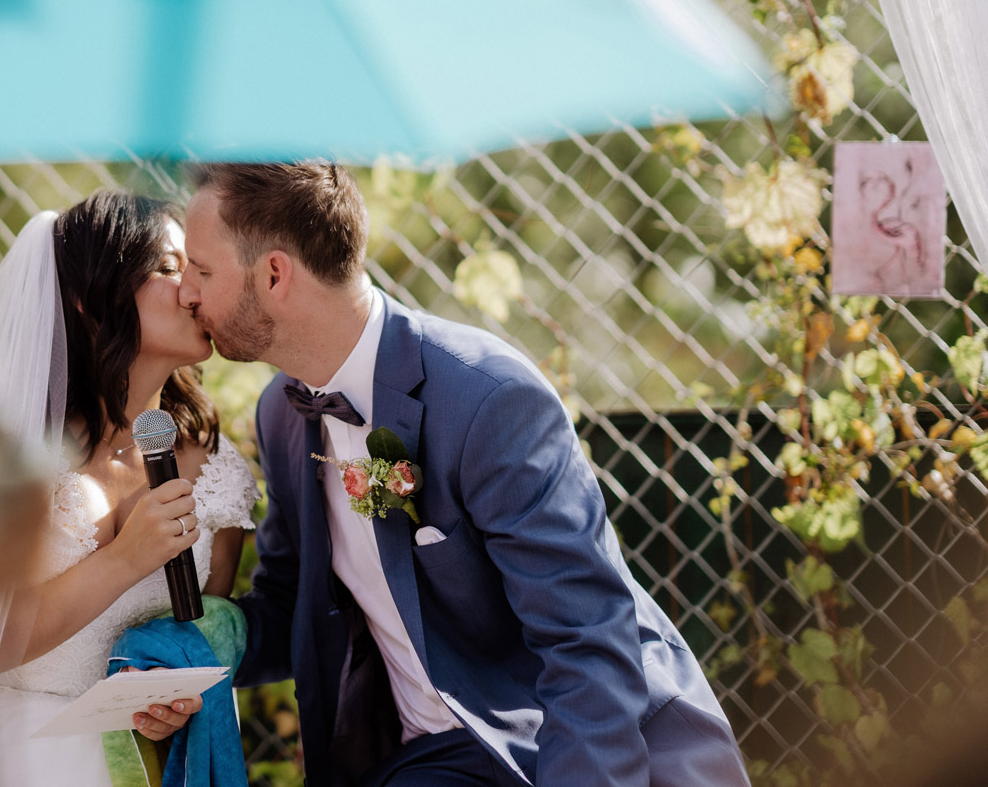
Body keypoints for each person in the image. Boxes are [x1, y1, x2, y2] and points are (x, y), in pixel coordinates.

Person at [177, 162, 749, 787]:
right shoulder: (283, 415)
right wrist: (203, 648)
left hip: (543, 746)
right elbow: (297, 604)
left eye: (202, 271)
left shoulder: (487, 398)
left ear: (275, 274)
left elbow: (585, 637)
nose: (187, 292)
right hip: (420, 763)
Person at [0, 191, 258, 786]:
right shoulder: (13, 459)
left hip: (146, 766)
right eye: (168, 269)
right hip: (12, 758)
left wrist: (170, 704)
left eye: (194, 269)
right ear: (93, 299)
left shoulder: (215, 471)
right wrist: (125, 559)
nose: (193, 289)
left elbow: (196, 641)